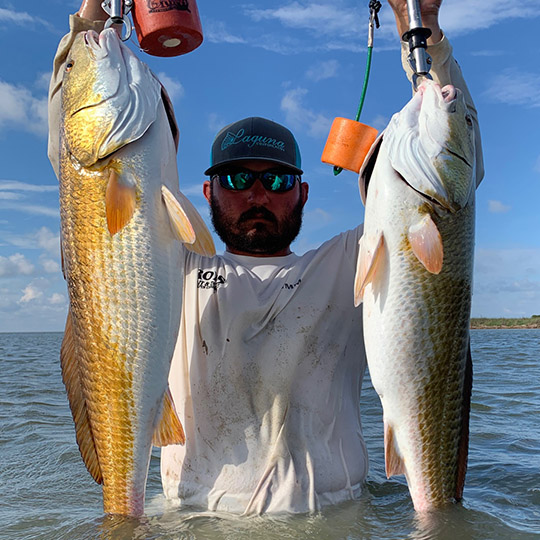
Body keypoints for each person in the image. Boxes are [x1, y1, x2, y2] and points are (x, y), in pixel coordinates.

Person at [48, 0, 483, 515]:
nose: (258, 194)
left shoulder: (349, 265)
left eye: (276, 180)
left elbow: (453, 183)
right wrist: (93, 18)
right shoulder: (172, 265)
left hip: (336, 518)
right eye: (237, 178)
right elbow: (79, 162)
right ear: (206, 194)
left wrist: (425, 31)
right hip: (196, 520)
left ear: (302, 194)